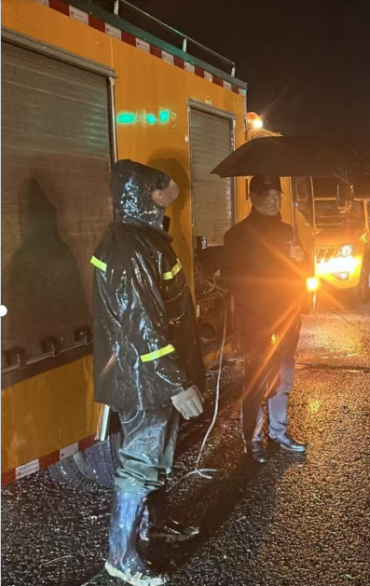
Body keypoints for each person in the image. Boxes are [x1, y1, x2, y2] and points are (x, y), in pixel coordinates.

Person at [92, 160, 206, 586]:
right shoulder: (131, 247)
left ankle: (153, 525)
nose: (169, 194)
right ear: (143, 194)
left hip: (150, 378)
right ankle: (121, 556)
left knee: (157, 457)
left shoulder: (143, 239)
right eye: (161, 189)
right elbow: (143, 323)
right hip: (145, 381)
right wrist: (177, 382)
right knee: (140, 464)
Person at [222, 176, 309, 463]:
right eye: (267, 195)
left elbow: (304, 275)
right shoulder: (237, 235)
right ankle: (252, 438)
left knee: (283, 377)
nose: (273, 200)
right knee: (257, 381)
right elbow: (231, 279)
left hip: (287, 320)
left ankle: (279, 432)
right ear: (253, 197)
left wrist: (302, 259)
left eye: (277, 195)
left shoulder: (287, 232)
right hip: (256, 323)